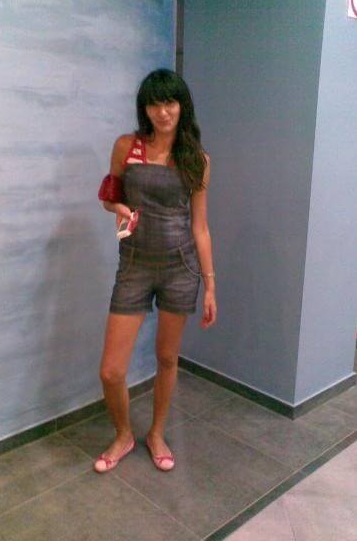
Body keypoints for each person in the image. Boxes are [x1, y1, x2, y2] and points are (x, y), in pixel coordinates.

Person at [95, 68, 217, 473]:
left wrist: (210, 286)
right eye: (153, 104)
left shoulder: (196, 160)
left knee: (166, 357)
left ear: (182, 106)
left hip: (180, 268)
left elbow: (200, 227)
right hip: (134, 266)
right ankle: (123, 434)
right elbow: (110, 195)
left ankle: (157, 433)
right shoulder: (126, 146)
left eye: (169, 102)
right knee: (111, 370)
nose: (162, 112)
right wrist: (119, 208)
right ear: (144, 108)